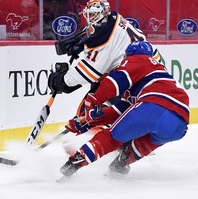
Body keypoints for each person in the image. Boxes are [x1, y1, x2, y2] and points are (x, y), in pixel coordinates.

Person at [59, 40, 190, 177]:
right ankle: (119, 165)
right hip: (179, 124)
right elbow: (119, 112)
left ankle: (76, 162)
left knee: (111, 138)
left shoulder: (140, 59)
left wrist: (93, 101)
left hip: (153, 107)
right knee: (141, 145)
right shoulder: (154, 77)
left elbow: (115, 81)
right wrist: (88, 121)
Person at [48, 0, 162, 113]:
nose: (90, 18)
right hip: (152, 67)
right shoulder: (113, 18)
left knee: (87, 110)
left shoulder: (104, 38)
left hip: (140, 78)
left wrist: (62, 80)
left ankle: (107, 124)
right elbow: (93, 31)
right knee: (99, 86)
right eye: (89, 14)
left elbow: (89, 73)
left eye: (94, 14)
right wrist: (80, 42)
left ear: (104, 13)